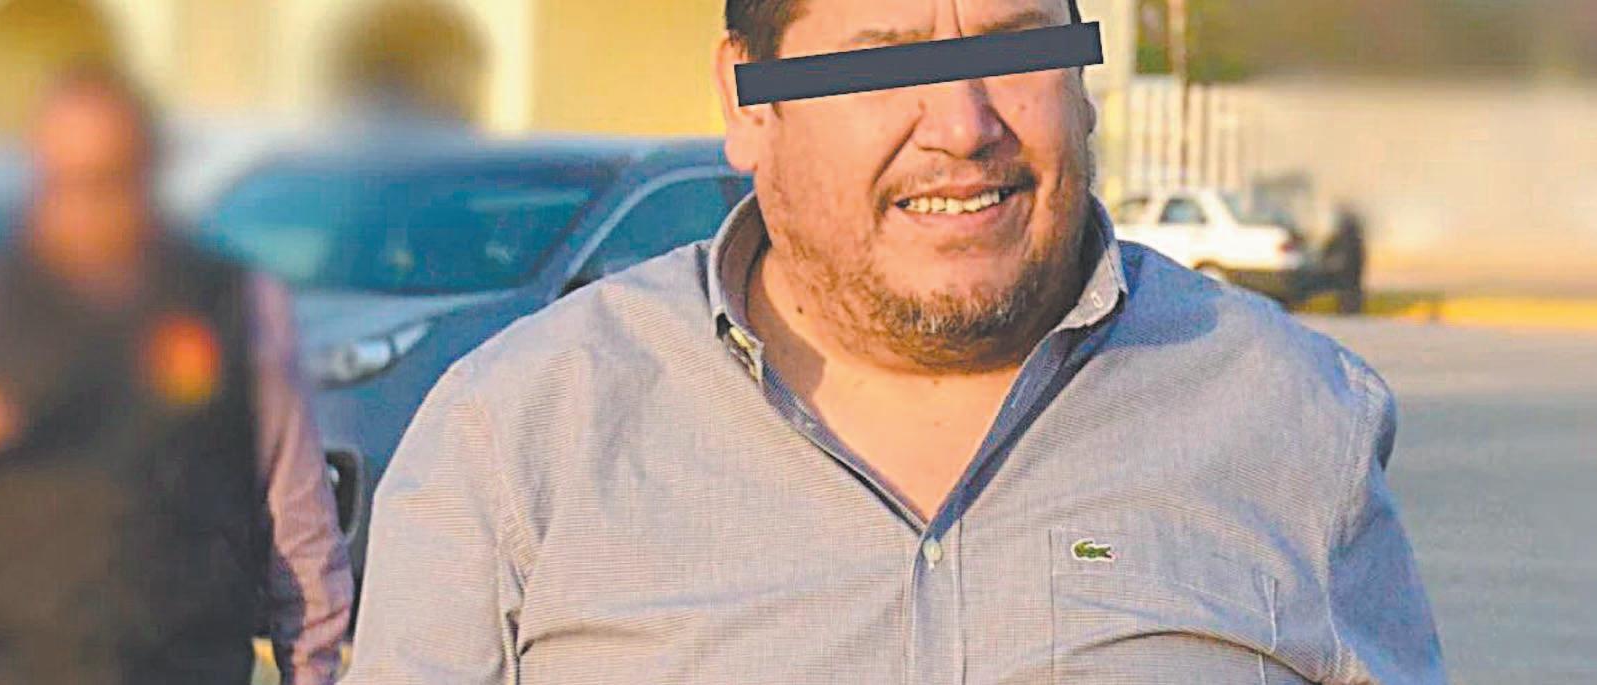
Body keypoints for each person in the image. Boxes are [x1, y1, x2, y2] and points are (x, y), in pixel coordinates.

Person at [346, 0, 1445, 682]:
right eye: (881, 60)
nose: (962, 127)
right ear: (748, 100)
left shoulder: (1289, 415)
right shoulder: (517, 439)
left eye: (1017, 46)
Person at [0, 65, 353, 683]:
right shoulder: (2, 308)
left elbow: (300, 528)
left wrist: (311, 672)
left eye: (106, 181)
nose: (83, 209)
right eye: (63, 183)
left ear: (146, 176)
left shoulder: (232, 307)